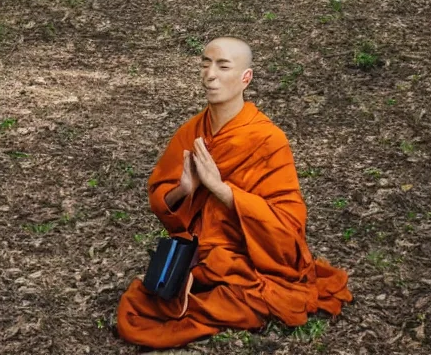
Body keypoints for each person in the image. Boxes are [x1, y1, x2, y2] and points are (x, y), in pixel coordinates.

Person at [116, 37, 352, 348]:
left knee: (233, 298)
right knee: (137, 305)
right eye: (205, 64)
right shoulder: (191, 132)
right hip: (201, 252)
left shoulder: (268, 139)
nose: (210, 75)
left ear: (246, 78)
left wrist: (223, 191)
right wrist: (183, 190)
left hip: (251, 255)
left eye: (223, 66)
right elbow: (162, 196)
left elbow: (288, 227)